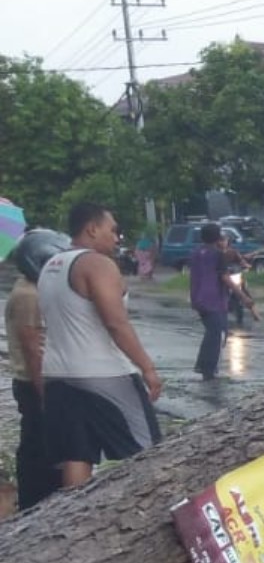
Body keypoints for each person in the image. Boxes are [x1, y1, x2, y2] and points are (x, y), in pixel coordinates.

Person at [38, 203, 163, 489]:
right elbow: (116, 323)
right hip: (104, 375)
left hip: (58, 375)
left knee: (76, 455)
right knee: (150, 453)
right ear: (92, 229)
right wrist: (148, 368)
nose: (117, 237)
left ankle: (73, 525)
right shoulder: (97, 264)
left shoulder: (51, 266)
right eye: (113, 230)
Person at [6, 229, 69, 510]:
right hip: (35, 383)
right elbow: (34, 351)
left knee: (42, 447)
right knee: (40, 451)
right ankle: (35, 506)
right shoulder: (28, 295)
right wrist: (47, 396)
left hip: (37, 380)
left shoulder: (31, 289)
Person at [187, 223, 240, 380]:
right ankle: (207, 368)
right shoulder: (218, 255)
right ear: (217, 238)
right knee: (218, 333)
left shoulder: (196, 253)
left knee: (212, 332)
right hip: (214, 299)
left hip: (198, 297)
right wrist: (243, 296)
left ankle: (206, 367)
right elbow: (224, 277)